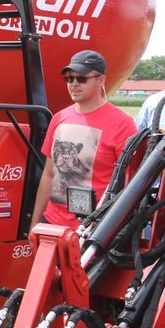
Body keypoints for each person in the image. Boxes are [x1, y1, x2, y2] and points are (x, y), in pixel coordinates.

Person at [30, 50, 137, 229]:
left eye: (81, 79)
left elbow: (129, 184)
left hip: (92, 230)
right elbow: (48, 174)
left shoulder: (123, 125)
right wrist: (35, 222)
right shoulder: (59, 118)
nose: (73, 84)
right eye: (69, 79)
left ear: (100, 80)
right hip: (52, 223)